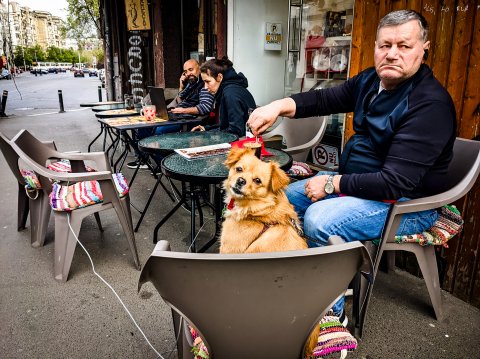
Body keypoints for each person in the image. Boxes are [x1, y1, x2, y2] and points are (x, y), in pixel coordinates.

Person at [247, 10, 456, 321]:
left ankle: (331, 314)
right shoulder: (371, 81)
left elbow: (394, 183)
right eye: (385, 45)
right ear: (374, 47)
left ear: (423, 48)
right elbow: (323, 101)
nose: (392, 54)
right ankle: (295, 278)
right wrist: (276, 106)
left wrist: (332, 183)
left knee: (320, 219)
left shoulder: (429, 104)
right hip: (360, 183)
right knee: (275, 201)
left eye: (404, 45)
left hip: (407, 203)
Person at [127, 59, 214, 169]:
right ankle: (144, 160)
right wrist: (181, 85)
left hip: (187, 119)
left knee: (159, 130)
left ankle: (162, 165)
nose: (188, 73)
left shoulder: (205, 85)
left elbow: (205, 107)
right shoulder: (191, 83)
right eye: (186, 71)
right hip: (177, 115)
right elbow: (179, 99)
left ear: (199, 68)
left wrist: (182, 110)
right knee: (143, 126)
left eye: (191, 69)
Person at [191, 57, 256, 137]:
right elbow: (227, 125)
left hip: (242, 143)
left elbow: (236, 131)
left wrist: (208, 134)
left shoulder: (230, 93)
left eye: (207, 81)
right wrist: (207, 129)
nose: (205, 87)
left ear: (220, 77)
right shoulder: (230, 89)